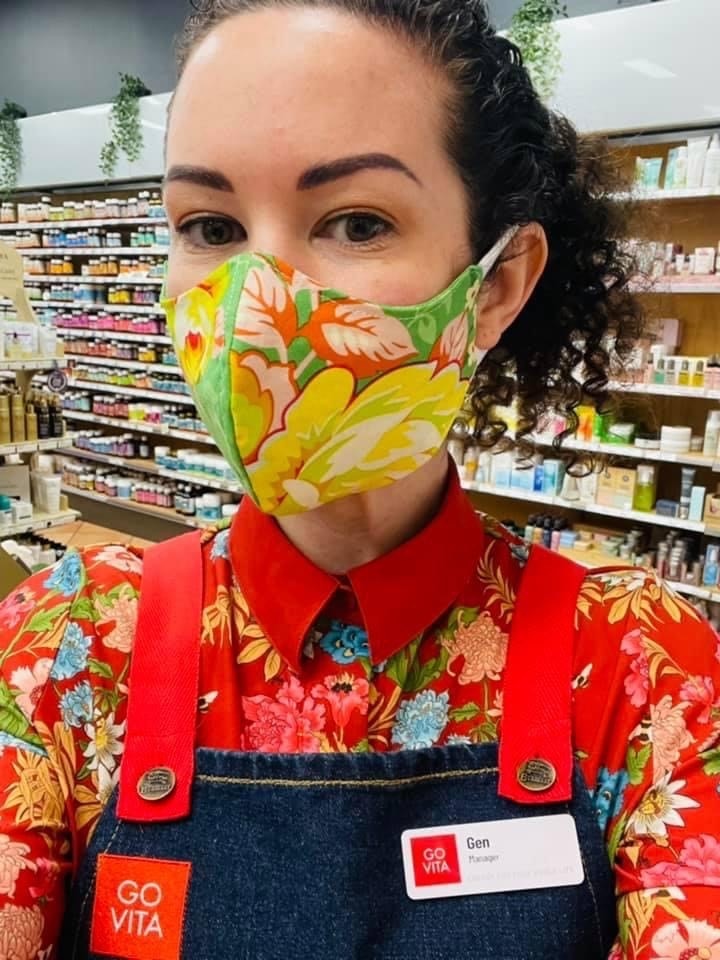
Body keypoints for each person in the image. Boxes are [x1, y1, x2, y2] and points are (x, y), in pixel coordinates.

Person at [0, 1, 719, 957]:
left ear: (498, 284)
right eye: (210, 224)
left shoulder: (641, 671)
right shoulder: (66, 649)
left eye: (355, 221)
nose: (257, 308)